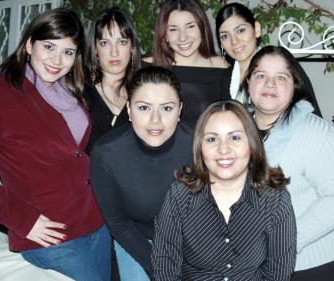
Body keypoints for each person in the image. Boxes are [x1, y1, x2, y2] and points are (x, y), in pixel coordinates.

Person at [0, 8, 111, 281]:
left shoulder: (69, 88)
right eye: (49, 46)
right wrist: (22, 221)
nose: (57, 59)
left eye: (68, 51)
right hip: (49, 232)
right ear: (29, 44)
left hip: (95, 221)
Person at [243, 45, 334, 281]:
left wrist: (284, 240)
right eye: (261, 75)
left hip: (314, 267)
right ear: (248, 81)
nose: (270, 84)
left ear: (294, 86)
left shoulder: (315, 131)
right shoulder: (235, 130)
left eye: (281, 77)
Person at [152, 100, 297, 280]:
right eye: (212, 139)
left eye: (234, 137)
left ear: (252, 143)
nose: (223, 149)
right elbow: (165, 269)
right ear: (200, 147)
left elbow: (278, 275)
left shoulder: (275, 200)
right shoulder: (180, 197)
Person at [90, 66, 193, 281]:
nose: (155, 120)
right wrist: (158, 268)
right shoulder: (107, 154)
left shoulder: (199, 147)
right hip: (136, 239)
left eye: (167, 108)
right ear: (128, 109)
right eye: (144, 108)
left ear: (180, 109)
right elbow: (118, 224)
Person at [215, 2, 322, 116]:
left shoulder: (282, 64)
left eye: (241, 31)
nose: (234, 41)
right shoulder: (223, 78)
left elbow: (311, 113)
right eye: (225, 36)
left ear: (256, 29)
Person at [143, 0, 231, 129]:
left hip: (203, 148)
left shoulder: (221, 68)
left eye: (190, 26)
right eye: (173, 29)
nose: (183, 37)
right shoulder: (146, 66)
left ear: (202, 28)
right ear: (165, 35)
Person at [84, 7, 140, 153]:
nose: (114, 52)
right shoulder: (78, 89)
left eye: (121, 42)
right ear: (95, 48)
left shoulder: (143, 95)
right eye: (105, 43)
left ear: (132, 46)